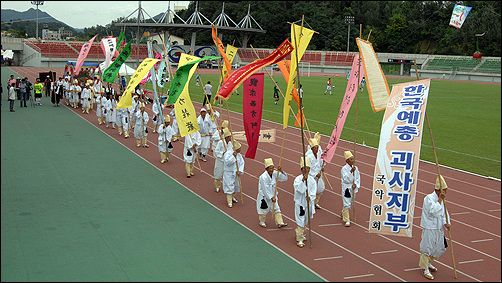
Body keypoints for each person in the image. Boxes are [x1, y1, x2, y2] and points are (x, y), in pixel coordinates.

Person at [419, 175, 451, 280]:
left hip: (438, 228)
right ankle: (425, 269)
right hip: (429, 227)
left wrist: (447, 223)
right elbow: (433, 211)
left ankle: (428, 262)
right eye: (444, 191)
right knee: (427, 247)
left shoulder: (441, 200)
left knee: (439, 247)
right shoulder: (429, 198)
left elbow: (444, 213)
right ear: (438, 190)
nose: (445, 193)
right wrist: (440, 200)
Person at [257, 158, 288, 228]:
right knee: (263, 209)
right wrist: (271, 197)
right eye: (270, 168)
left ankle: (280, 222)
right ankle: (262, 221)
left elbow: (284, 178)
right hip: (265, 196)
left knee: (276, 208)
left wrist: (281, 171)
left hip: (273, 194)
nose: (271, 170)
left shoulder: (274, 173)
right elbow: (265, 189)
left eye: (272, 168)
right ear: (266, 169)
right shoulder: (263, 177)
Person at [293, 156, 316, 248]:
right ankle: (299, 238)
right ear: (301, 169)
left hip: (308, 203)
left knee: (306, 219)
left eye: (308, 168)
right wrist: (303, 181)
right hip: (300, 203)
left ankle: (301, 233)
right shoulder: (297, 179)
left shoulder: (312, 180)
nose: (306, 170)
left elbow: (313, 191)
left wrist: (310, 197)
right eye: (305, 168)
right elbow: (299, 190)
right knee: (300, 220)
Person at [306, 133, 325, 209]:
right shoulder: (309, 156)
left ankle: (315, 202)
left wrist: (322, 167)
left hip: (318, 174)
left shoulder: (319, 153)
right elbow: (307, 167)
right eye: (315, 148)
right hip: (311, 175)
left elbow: (321, 162)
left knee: (320, 188)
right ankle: (310, 204)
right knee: (311, 190)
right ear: (312, 148)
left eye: (317, 147)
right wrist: (314, 174)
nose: (317, 149)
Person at [341, 150, 360, 227]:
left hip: (353, 187)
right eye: (351, 159)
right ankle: (347, 220)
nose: (353, 161)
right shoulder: (344, 169)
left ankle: (343, 212)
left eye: (353, 159)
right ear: (347, 160)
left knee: (351, 202)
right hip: (347, 188)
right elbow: (345, 179)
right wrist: (350, 172)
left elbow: (358, 177)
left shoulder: (356, 168)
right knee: (347, 203)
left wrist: (355, 183)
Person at [223, 141, 244, 208]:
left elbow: (242, 163)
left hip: (235, 173)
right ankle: (229, 201)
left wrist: (240, 171)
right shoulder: (228, 154)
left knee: (236, 186)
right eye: (239, 148)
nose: (240, 150)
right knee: (229, 186)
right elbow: (227, 163)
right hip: (229, 173)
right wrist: (233, 157)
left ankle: (232, 197)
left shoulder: (239, 155)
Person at [213, 125, 231, 193]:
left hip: (226, 161)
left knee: (227, 174)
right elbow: (216, 151)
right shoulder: (221, 142)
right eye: (229, 137)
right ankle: (217, 186)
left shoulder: (230, 144)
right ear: (226, 137)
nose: (230, 139)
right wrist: (223, 153)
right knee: (218, 173)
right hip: (220, 160)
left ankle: (226, 187)